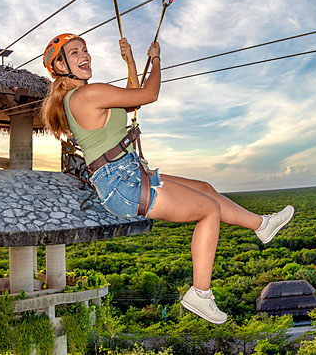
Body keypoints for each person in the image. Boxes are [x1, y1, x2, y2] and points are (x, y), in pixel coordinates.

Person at [39, 33, 294, 325]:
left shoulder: (84, 95)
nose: (85, 55)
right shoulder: (87, 94)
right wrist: (157, 60)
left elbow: (132, 101)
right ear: (60, 66)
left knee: (206, 190)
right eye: (74, 53)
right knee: (209, 210)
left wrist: (131, 60)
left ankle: (262, 224)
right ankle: (201, 293)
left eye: (84, 50)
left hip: (125, 175)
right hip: (123, 183)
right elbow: (149, 94)